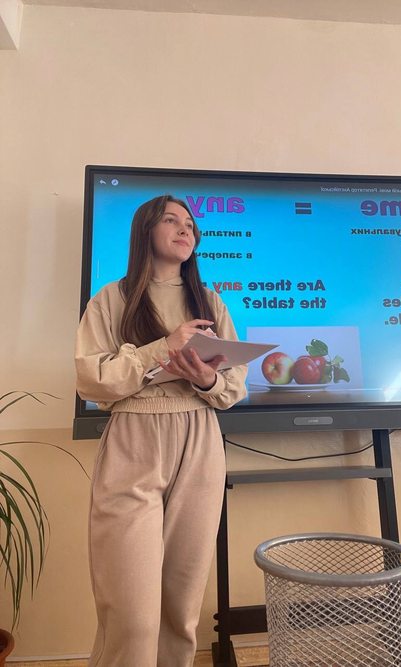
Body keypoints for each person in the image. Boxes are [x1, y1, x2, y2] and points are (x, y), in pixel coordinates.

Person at [75, 194, 247, 667]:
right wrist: (164, 347)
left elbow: (234, 386)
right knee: (131, 614)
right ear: (145, 230)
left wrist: (206, 379)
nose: (184, 228)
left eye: (189, 223)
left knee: (180, 608)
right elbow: (92, 381)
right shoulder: (112, 298)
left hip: (200, 439)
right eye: (171, 220)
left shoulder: (210, 301)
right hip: (134, 437)